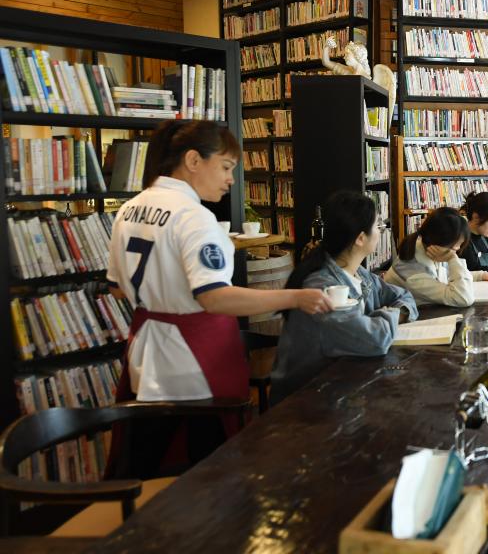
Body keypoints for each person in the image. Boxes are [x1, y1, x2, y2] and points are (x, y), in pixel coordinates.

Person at [105, 120, 330, 475]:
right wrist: (294, 297)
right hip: (193, 355)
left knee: (144, 457)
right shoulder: (194, 217)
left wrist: (160, 290)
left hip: (146, 346)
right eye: (226, 167)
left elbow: (117, 287)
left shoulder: (129, 209)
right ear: (193, 160)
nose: (230, 180)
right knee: (212, 463)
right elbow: (215, 298)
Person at [270, 191, 418, 405]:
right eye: (378, 226)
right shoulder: (322, 287)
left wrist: (392, 313)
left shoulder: (360, 274)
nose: (381, 231)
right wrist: (392, 313)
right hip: (305, 402)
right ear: (360, 238)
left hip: (344, 387)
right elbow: (374, 339)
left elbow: (404, 296)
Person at [384, 207, 482, 306]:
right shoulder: (414, 274)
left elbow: (448, 274)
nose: (458, 248)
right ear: (439, 241)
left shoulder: (429, 250)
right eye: (457, 244)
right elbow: (463, 297)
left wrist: (479, 276)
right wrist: (453, 259)